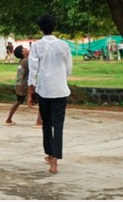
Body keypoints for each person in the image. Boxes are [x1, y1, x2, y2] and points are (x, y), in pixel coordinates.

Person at [28, 14, 73, 174]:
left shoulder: (37, 46)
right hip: (60, 89)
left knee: (46, 123)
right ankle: (55, 160)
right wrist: (60, 79)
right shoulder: (64, 45)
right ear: (55, 27)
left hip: (44, 90)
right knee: (58, 124)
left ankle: (49, 154)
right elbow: (69, 69)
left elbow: (33, 69)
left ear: (40, 28)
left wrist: (30, 92)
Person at [5, 45, 42, 127]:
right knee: (42, 102)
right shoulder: (27, 61)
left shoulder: (22, 61)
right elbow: (38, 65)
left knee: (18, 101)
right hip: (25, 86)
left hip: (19, 86)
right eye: (24, 49)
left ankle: (8, 120)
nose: (27, 49)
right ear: (23, 53)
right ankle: (38, 122)